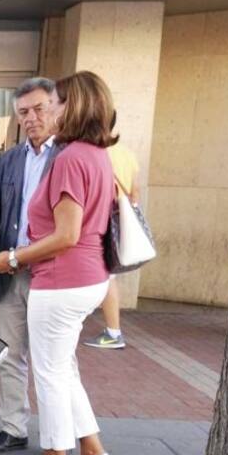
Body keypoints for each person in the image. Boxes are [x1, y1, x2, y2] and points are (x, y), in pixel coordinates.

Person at [0, 70, 115, 455]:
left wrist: (13, 258)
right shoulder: (96, 154)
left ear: (71, 106)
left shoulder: (71, 158)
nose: (46, 112)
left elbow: (66, 235)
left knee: (50, 375)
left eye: (53, 103)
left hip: (60, 279)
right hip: (86, 278)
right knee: (64, 370)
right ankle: (92, 453)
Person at [0, 77, 62, 455]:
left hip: (52, 274)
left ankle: (59, 439)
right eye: (23, 112)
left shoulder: (69, 156)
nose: (31, 118)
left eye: (39, 108)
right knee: (10, 353)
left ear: (56, 108)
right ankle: (13, 427)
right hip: (10, 273)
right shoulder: (10, 160)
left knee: (53, 362)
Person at [83, 139, 140, 349]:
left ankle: (113, 332)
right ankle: (113, 331)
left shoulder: (96, 153)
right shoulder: (126, 153)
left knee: (104, 277)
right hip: (118, 221)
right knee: (108, 276)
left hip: (100, 222)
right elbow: (135, 193)